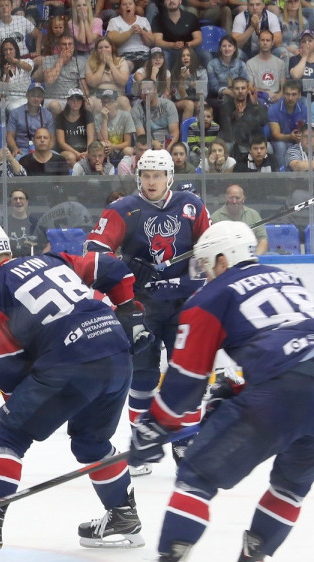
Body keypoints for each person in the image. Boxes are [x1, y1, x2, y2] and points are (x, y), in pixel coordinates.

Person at [131, 220, 314, 562]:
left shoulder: (210, 297)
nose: (203, 273)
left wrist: (156, 425)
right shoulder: (286, 278)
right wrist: (236, 387)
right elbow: (283, 337)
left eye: (206, 264)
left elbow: (186, 381)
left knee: (195, 478)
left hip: (280, 391)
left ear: (224, 259)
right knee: (291, 485)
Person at [0, 222, 148, 562]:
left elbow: (9, 373)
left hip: (70, 361)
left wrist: (21, 415)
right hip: (116, 348)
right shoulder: (53, 259)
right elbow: (112, 268)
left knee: (9, 437)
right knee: (91, 443)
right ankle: (124, 517)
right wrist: (130, 310)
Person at [85, 148, 212, 474]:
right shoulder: (123, 210)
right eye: (145, 175)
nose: (151, 181)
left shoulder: (191, 206)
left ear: (170, 177)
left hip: (186, 304)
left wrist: (189, 274)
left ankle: (187, 443)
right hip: (139, 307)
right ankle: (143, 444)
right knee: (142, 377)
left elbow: (211, 251)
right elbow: (95, 251)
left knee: (189, 373)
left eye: (157, 175)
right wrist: (123, 269)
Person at [36, 32, 90, 115]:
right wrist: (61, 60)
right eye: (64, 44)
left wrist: (85, 97)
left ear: (74, 46)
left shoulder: (80, 62)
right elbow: (49, 80)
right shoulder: (48, 60)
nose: (67, 47)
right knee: (55, 106)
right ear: (58, 46)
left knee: (89, 104)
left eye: (70, 44)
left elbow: (83, 86)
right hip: (53, 99)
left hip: (72, 99)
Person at [217, 76, 270, 159]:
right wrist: (236, 117)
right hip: (233, 141)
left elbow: (263, 122)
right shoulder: (225, 106)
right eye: (237, 88)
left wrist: (256, 105)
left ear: (248, 90)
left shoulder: (255, 104)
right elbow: (227, 131)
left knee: (268, 147)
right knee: (226, 147)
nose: (240, 91)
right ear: (232, 90)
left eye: (243, 88)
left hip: (252, 141)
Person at [209, 183, 269, 254]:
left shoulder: (253, 215)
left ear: (243, 199)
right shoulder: (216, 218)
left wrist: (255, 257)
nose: (234, 201)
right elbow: (213, 246)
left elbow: (263, 240)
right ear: (226, 198)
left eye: (237, 198)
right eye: (231, 198)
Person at [86, 37, 134, 113]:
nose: (103, 50)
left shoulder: (121, 61)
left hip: (117, 95)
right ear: (96, 51)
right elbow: (92, 83)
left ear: (112, 49)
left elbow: (123, 82)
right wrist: (102, 64)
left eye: (106, 47)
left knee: (124, 101)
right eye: (100, 48)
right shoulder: (91, 62)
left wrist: (111, 64)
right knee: (91, 103)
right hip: (98, 95)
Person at [268, 78, 310, 165]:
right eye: (287, 94)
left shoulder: (304, 110)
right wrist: (289, 137)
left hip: (297, 140)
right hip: (280, 140)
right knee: (281, 146)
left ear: (299, 95)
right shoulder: (273, 109)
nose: (290, 98)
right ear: (283, 94)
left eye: (294, 94)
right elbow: (275, 135)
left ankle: (303, 172)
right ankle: (281, 173)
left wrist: (301, 136)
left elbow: (307, 131)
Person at [7, 84, 56, 155]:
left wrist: (46, 151)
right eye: (33, 95)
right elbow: (10, 136)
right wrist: (15, 148)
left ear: (42, 98)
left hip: (43, 149)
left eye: (39, 96)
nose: (36, 99)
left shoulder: (48, 115)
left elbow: (52, 139)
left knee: (60, 160)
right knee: (17, 160)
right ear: (27, 95)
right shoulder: (15, 113)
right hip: (22, 149)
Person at [106, 0, 154, 70]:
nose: (127, 6)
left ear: (135, 7)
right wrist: (130, 32)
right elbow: (113, 41)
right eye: (124, 4)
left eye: (130, 4)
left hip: (144, 53)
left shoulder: (143, 20)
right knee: (126, 66)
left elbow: (151, 42)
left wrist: (142, 32)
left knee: (150, 66)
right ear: (120, 9)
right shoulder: (114, 21)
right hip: (124, 54)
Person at [151, 0, 202, 65]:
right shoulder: (158, 19)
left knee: (205, 55)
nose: (171, 1)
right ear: (164, 2)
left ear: (180, 1)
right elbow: (157, 41)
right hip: (168, 50)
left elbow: (198, 39)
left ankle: (200, 74)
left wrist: (188, 44)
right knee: (164, 56)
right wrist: (172, 45)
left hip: (189, 49)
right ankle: (167, 75)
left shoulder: (191, 17)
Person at [247, 29, 288, 104]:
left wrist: (279, 96)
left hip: (277, 98)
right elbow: (250, 87)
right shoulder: (250, 63)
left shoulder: (280, 63)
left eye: (268, 40)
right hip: (260, 98)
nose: (265, 43)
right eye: (262, 40)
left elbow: (284, 87)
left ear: (272, 43)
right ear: (258, 42)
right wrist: (266, 93)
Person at [96, 87, 137, 163]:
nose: (107, 105)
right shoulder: (98, 118)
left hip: (121, 149)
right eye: (104, 102)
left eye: (110, 102)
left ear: (116, 102)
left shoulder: (126, 116)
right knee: (103, 145)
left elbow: (128, 142)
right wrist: (104, 120)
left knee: (129, 150)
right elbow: (103, 140)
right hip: (107, 150)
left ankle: (127, 170)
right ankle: (105, 170)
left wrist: (113, 147)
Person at [55, 88, 94, 166]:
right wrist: (76, 153)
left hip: (85, 150)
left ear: (82, 101)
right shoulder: (60, 117)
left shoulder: (88, 115)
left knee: (93, 155)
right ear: (68, 101)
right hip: (67, 151)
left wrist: (87, 152)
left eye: (78, 99)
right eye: (72, 99)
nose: (75, 102)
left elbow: (91, 138)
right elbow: (61, 142)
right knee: (71, 157)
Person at [0, 37, 36, 112]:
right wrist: (7, 77)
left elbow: (29, 68)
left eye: (11, 49)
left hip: (27, 98)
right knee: (16, 110)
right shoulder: (0, 69)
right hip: (11, 102)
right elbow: (2, 96)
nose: (8, 52)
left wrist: (14, 61)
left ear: (16, 50)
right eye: (5, 50)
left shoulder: (27, 61)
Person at [207, 35, 250, 103]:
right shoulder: (212, 64)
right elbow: (213, 87)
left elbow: (245, 82)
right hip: (219, 97)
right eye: (224, 46)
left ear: (234, 48)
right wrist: (227, 92)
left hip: (238, 94)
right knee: (227, 101)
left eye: (230, 46)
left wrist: (237, 92)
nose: (227, 49)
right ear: (220, 48)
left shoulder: (241, 64)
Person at [169, 46, 206, 122]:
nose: (185, 58)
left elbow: (203, 96)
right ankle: (186, 132)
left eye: (188, 55)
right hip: (178, 101)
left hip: (195, 99)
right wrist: (183, 79)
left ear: (193, 57)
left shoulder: (201, 71)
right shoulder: (175, 72)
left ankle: (199, 131)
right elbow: (179, 96)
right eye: (183, 56)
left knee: (203, 104)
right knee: (189, 104)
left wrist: (198, 87)